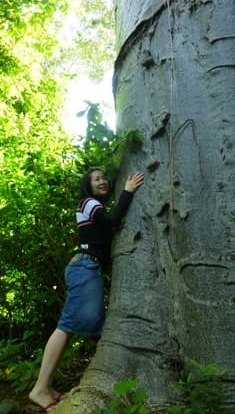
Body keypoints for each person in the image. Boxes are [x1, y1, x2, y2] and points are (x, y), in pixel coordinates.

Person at [28, 167, 144, 413]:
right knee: (67, 325)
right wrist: (128, 191)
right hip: (84, 266)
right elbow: (113, 221)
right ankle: (39, 388)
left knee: (70, 327)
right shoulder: (88, 202)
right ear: (88, 185)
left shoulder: (93, 207)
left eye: (104, 178)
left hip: (87, 267)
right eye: (96, 179)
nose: (102, 181)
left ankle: (46, 388)